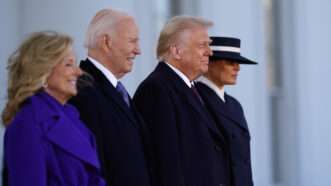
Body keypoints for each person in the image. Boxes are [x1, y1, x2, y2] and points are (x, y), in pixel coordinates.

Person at [133, 16, 231, 186]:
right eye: (202, 45)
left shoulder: (191, 89)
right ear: (176, 51)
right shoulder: (157, 90)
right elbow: (166, 164)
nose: (210, 52)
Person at [1, 31, 105, 186]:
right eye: (69, 64)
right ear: (42, 73)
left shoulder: (73, 117)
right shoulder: (27, 124)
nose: (79, 72)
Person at [69, 8, 153, 186]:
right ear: (106, 42)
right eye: (132, 41)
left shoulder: (115, 90)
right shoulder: (82, 90)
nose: (138, 51)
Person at [196, 36, 257, 186]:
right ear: (209, 63)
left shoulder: (235, 105)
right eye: (230, 62)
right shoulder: (196, 99)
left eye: (238, 63)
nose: (237, 68)